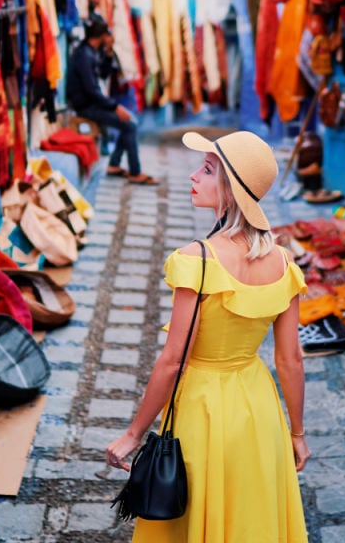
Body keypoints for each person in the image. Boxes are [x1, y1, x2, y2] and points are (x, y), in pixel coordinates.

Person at [106, 130, 310, 541]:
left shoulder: (197, 260)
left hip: (203, 408)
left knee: (198, 513)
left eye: (208, 169)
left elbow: (172, 361)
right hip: (258, 408)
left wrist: (133, 434)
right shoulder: (285, 263)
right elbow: (290, 360)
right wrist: (297, 433)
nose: (194, 176)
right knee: (249, 517)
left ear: (232, 190)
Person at [66, 13, 158, 185]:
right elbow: (92, 90)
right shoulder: (84, 55)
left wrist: (108, 53)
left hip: (91, 103)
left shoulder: (89, 52)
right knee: (129, 125)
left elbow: (103, 73)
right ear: (102, 36)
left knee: (129, 124)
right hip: (86, 106)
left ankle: (114, 165)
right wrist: (114, 107)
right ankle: (135, 171)